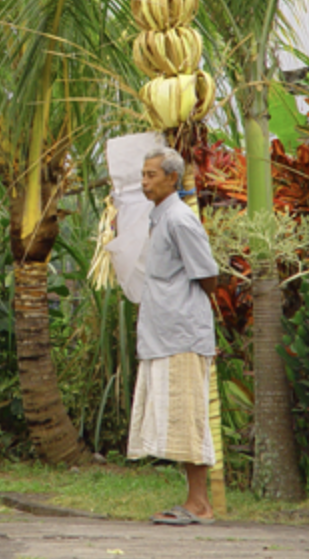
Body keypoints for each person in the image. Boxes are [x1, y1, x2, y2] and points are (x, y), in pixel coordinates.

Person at [126, 147, 219, 525]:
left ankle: (199, 505)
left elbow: (208, 274)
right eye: (143, 174)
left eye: (151, 175)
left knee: (188, 416)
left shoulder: (180, 219)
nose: (144, 181)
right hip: (164, 333)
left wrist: (190, 313)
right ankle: (194, 501)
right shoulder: (160, 218)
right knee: (180, 418)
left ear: (172, 179)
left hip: (182, 333)